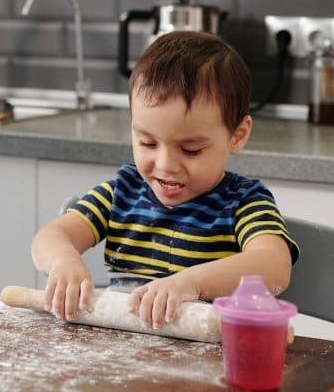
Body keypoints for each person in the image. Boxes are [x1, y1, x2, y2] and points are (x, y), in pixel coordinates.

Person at [30, 30, 299, 330]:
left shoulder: (244, 202)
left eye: (190, 149)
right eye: (147, 143)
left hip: (208, 363)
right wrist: (62, 261)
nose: (165, 165)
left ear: (237, 135)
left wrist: (191, 283)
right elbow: (51, 237)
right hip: (124, 357)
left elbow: (275, 266)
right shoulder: (122, 193)